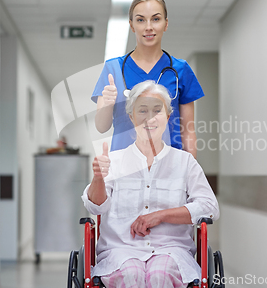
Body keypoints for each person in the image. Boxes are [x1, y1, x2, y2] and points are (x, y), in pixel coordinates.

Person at [82, 81, 219, 288]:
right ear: (131, 117)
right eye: (142, 110)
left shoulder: (185, 162)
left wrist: (160, 215)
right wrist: (99, 178)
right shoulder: (115, 160)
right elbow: (95, 206)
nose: (150, 117)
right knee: (131, 275)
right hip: (121, 251)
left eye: (157, 110)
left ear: (168, 116)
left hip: (171, 251)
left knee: (159, 275)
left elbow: (210, 208)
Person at [92, 0, 204, 157]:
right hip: (125, 167)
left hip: (170, 167)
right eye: (140, 20)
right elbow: (101, 127)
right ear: (132, 25)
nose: (148, 27)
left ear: (166, 24)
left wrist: (190, 172)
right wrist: (108, 104)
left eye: (156, 19)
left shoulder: (181, 70)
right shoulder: (113, 68)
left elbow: (188, 130)